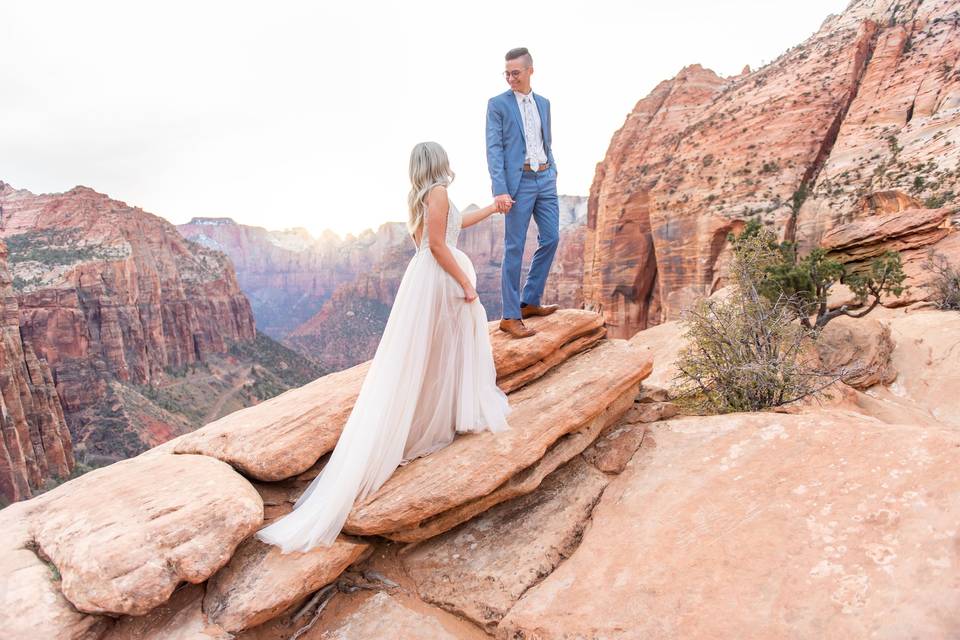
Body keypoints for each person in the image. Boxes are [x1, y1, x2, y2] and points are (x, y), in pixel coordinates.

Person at [255, 141, 512, 553]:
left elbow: (454, 225)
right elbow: (440, 245)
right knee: (449, 349)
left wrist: (492, 209)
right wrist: (466, 283)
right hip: (442, 278)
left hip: (425, 278)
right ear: (438, 163)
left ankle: (434, 416)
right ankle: (443, 417)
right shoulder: (439, 192)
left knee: (428, 355)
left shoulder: (424, 196)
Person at [486, 46, 560, 339]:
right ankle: (509, 316)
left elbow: (546, 141)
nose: (510, 79)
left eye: (515, 73)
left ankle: (529, 300)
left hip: (545, 179)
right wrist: (499, 190)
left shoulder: (544, 103)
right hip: (519, 184)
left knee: (552, 237)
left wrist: (552, 169)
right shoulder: (497, 104)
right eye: (507, 73)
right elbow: (493, 149)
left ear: (530, 70)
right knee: (514, 247)